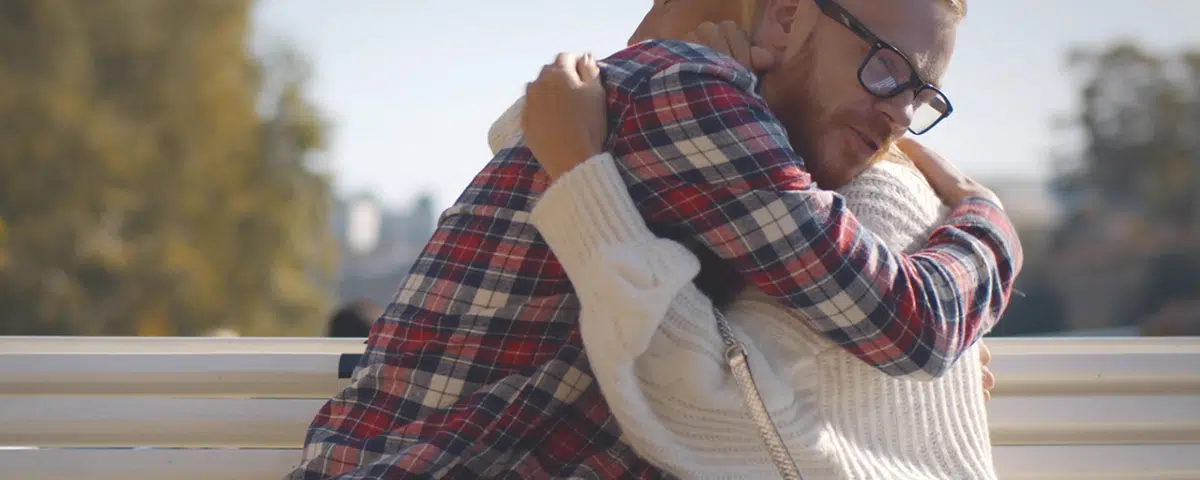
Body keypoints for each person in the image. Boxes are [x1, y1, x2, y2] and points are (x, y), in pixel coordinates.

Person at [289, 0, 1021, 477]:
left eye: (921, 95)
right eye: (884, 66)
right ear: (788, 17)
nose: (898, 113)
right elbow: (912, 326)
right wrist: (989, 226)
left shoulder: (723, 123)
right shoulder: (693, 92)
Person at [518, 24, 998, 478]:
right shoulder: (791, 205)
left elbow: (700, 406)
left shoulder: (870, 196)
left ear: (779, 21)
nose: (644, 44)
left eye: (667, 7)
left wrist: (580, 176)